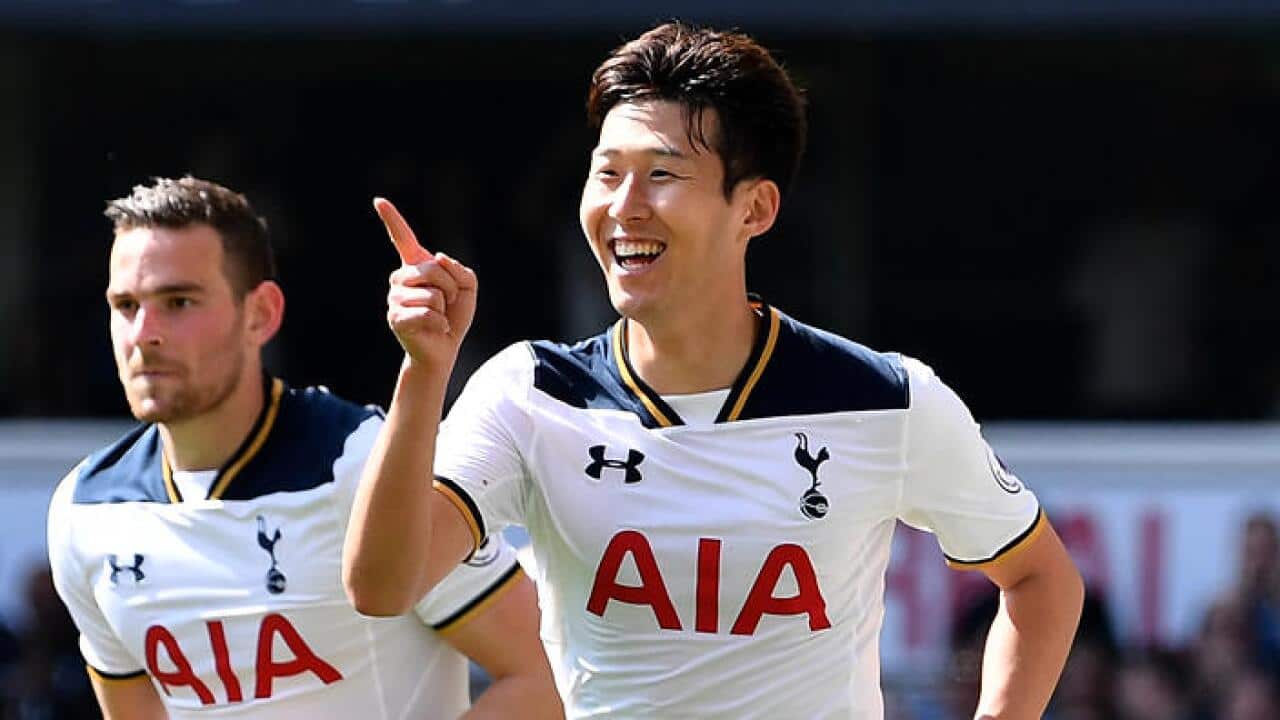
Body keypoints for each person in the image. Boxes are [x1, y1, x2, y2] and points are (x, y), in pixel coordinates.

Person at [343, 21, 1084, 719]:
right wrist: (423, 373)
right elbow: (382, 586)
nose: (624, 208)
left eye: (663, 174)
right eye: (607, 175)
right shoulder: (528, 393)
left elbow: (1043, 579)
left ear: (755, 208)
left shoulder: (884, 398)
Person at [47, 177, 560, 719]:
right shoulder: (84, 512)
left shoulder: (364, 463)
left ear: (261, 313)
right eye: (125, 305)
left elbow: (539, 676)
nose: (144, 333)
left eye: (179, 301)